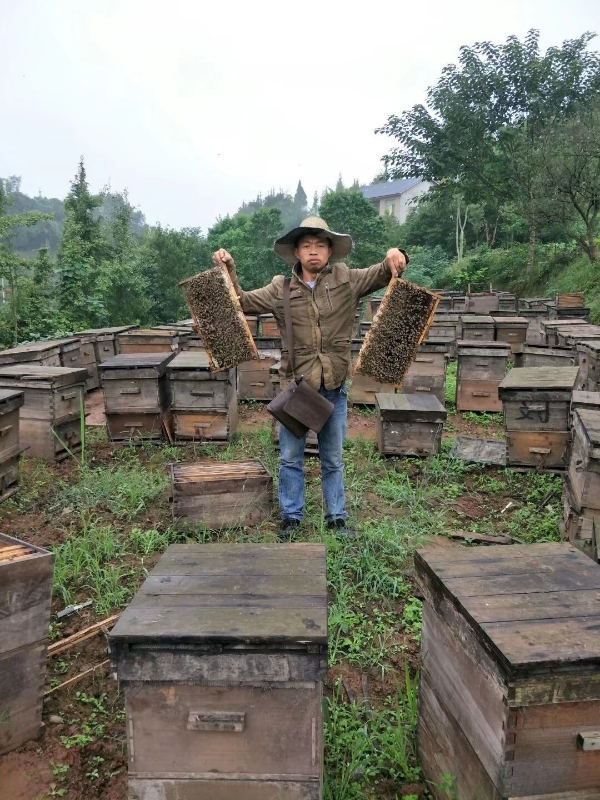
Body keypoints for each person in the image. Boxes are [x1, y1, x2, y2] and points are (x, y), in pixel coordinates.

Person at [213, 216, 407, 539]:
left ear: (330, 251)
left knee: (333, 458)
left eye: (319, 245)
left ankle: (336, 516)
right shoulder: (280, 288)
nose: (313, 251)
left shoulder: (347, 280)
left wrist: (395, 253)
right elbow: (243, 301)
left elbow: (384, 271)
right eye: (307, 246)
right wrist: (229, 269)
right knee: (290, 457)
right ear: (297, 253)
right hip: (296, 388)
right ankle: (292, 515)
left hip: (334, 386)